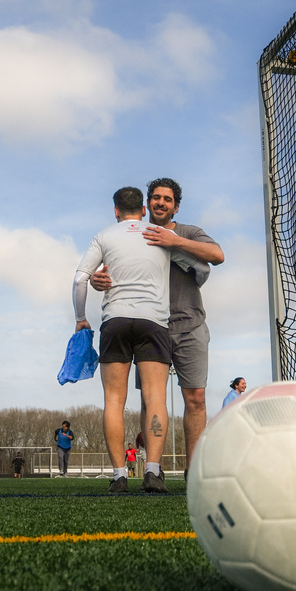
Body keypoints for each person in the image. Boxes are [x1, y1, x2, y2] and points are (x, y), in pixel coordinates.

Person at [73, 186, 207, 494]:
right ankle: (152, 472)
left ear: (116, 211)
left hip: (115, 320)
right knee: (156, 397)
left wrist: (81, 317)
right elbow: (201, 268)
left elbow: (81, 278)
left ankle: (120, 475)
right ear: (143, 210)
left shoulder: (104, 235)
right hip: (154, 323)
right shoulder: (159, 235)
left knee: (114, 401)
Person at [92, 178, 224, 470]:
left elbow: (217, 256)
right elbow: (105, 271)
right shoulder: (130, 235)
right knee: (150, 400)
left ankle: (194, 472)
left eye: (167, 199)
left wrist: (174, 240)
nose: (161, 203)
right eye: (156, 198)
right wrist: (95, 279)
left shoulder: (189, 232)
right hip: (152, 327)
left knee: (196, 398)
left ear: (176, 207)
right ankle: (154, 470)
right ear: (146, 203)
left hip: (189, 325)